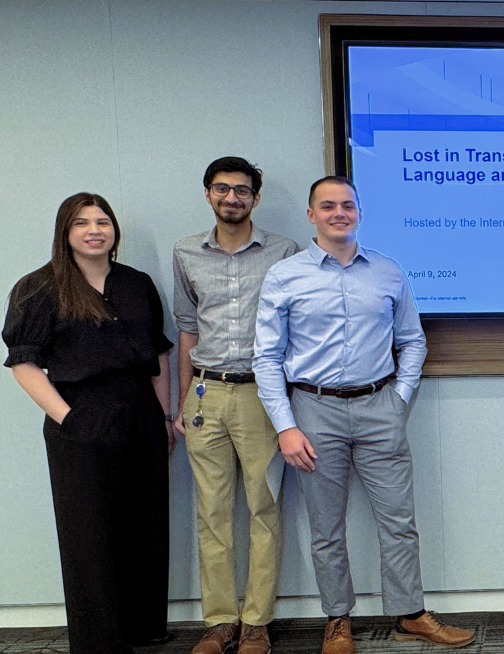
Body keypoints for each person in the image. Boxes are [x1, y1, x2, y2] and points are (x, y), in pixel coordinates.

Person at [253, 176, 475, 654]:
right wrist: (286, 426)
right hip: (312, 410)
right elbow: (266, 358)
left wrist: (399, 398)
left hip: (380, 408)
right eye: (328, 206)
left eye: (348, 205)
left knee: (399, 520)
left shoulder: (388, 272)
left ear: (359, 212)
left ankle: (410, 613)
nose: (339, 213)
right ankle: (337, 620)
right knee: (326, 525)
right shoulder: (285, 276)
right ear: (310, 214)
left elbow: (412, 342)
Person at [2, 192, 173, 654]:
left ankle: (143, 627)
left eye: (103, 221)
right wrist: (69, 418)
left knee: (145, 521)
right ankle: (100, 640)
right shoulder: (40, 287)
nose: (94, 229)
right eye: (81, 223)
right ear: (65, 232)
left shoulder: (136, 284)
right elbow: (23, 362)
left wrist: (163, 416)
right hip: (81, 413)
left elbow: (159, 354)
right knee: (89, 531)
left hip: (141, 411)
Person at [173, 157, 298, 654]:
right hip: (205, 393)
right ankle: (220, 621)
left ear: (255, 198)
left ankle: (256, 623)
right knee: (211, 512)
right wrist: (179, 401)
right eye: (222, 189)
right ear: (208, 194)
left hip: (262, 395)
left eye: (242, 191)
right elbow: (186, 328)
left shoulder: (284, 252)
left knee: (264, 506)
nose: (232, 198)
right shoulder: (185, 252)